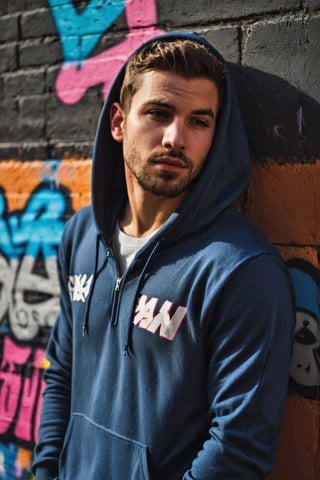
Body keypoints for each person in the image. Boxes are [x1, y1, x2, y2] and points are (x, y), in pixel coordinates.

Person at [32, 32, 295, 479]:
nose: (176, 138)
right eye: (159, 113)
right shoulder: (80, 237)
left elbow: (237, 450)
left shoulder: (241, 271)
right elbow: (62, 372)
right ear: (118, 122)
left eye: (199, 121)